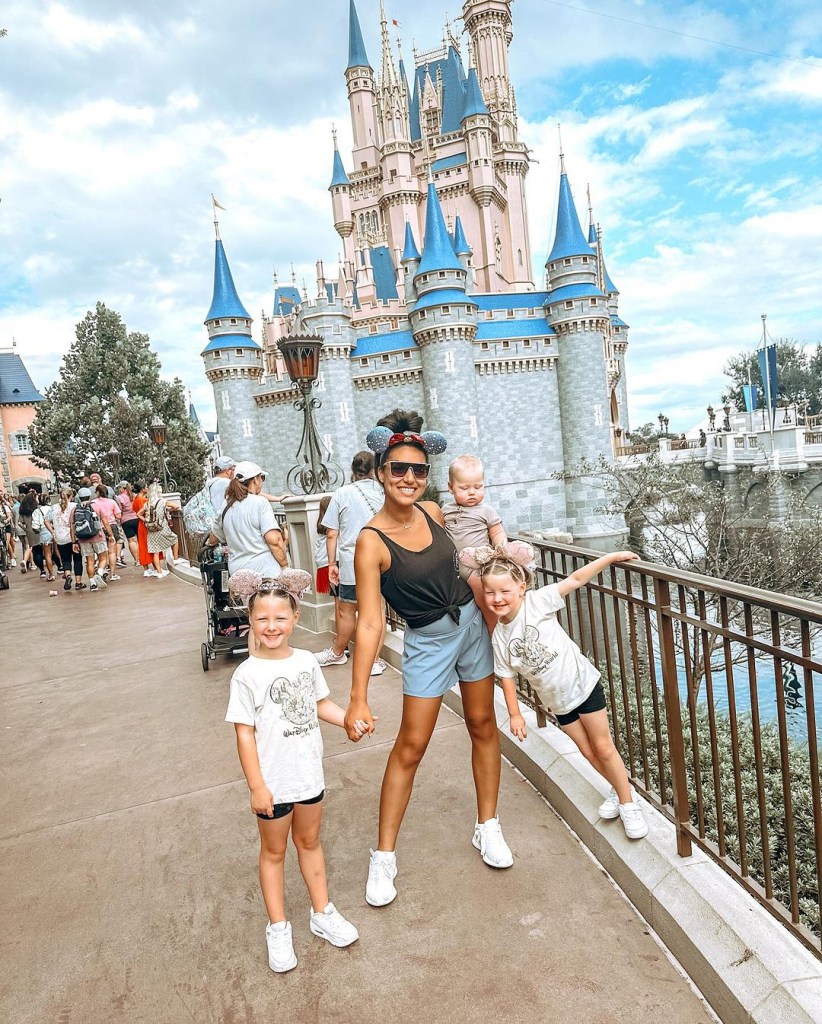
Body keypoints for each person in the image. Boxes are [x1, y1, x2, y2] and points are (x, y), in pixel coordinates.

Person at [343, 410, 513, 910]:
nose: (410, 479)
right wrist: (358, 699)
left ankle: (488, 826)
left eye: (418, 470)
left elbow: (469, 561)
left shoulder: (436, 513)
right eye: (399, 469)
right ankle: (384, 857)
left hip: (471, 629)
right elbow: (371, 622)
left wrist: (498, 602)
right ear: (381, 472)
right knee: (411, 744)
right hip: (428, 642)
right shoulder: (371, 542)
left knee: (484, 724)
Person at [225, 573, 365, 973]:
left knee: (310, 843)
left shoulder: (306, 662)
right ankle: (278, 926)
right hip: (273, 782)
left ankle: (321, 912)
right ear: (250, 620)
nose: (272, 627)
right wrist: (257, 786)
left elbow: (320, 704)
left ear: (295, 617)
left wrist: (348, 723)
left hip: (308, 776)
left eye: (280, 618)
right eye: (263, 619)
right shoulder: (246, 675)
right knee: (273, 853)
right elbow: (244, 734)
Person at [465, 542, 649, 840]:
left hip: (582, 685)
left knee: (602, 746)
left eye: (505, 591)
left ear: (521, 588)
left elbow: (575, 579)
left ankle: (629, 803)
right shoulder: (499, 637)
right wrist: (515, 715)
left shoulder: (537, 602)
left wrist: (612, 556)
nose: (497, 599)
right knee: (587, 750)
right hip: (557, 703)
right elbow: (507, 676)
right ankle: (620, 789)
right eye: (490, 593)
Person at [318, 451, 386, 676]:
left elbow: (331, 534)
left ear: (353, 470)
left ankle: (337, 652)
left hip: (351, 563)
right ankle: (375, 661)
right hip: (380, 560)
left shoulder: (342, 493)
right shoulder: (382, 491)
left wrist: (331, 564)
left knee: (347, 611)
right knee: (377, 611)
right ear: (375, 470)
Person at [441, 454, 508, 632]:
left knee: (484, 599)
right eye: (464, 488)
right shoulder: (445, 510)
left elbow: (497, 531)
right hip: (452, 568)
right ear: (450, 487)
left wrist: (501, 548)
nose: (472, 492)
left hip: (476, 566)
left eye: (478, 487)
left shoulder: (486, 510)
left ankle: (495, 631)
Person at [210, 461, 287, 578]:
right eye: (262, 478)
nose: (262, 481)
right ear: (255, 480)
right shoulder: (260, 503)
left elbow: (213, 539)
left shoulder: (226, 505)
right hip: (265, 571)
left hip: (238, 574)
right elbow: (274, 541)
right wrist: (285, 566)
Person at [71, 487, 112, 592]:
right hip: (97, 536)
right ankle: (99, 573)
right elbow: (105, 522)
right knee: (103, 558)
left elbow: (72, 527)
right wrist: (110, 535)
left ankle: (93, 584)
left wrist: (74, 542)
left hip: (83, 539)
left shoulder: (75, 509)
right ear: (90, 496)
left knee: (90, 561)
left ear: (79, 497)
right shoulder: (96, 506)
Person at [47, 489, 85, 590]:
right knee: (77, 559)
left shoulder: (54, 508)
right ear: (71, 496)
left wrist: (53, 531)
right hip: (73, 537)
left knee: (65, 559)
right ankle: (78, 582)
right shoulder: (75, 506)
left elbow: (46, 520)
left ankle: (68, 576)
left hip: (60, 538)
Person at [140, 481, 177, 577]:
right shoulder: (163, 501)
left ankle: (159, 572)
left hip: (151, 529)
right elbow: (176, 506)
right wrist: (169, 510)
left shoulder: (147, 504)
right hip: (162, 527)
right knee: (175, 539)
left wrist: (145, 521)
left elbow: (138, 514)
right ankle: (176, 559)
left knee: (155, 551)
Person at [93, 484, 122, 581]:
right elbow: (118, 516)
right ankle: (112, 574)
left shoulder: (93, 503)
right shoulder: (112, 502)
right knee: (112, 552)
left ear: (97, 492)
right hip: (111, 526)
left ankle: (102, 570)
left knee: (101, 552)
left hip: (98, 528)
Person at [115, 482, 140, 566]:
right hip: (137, 518)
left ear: (122, 488)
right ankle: (143, 557)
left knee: (131, 540)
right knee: (140, 540)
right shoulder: (134, 495)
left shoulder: (119, 498)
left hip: (126, 521)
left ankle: (137, 560)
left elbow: (119, 510)